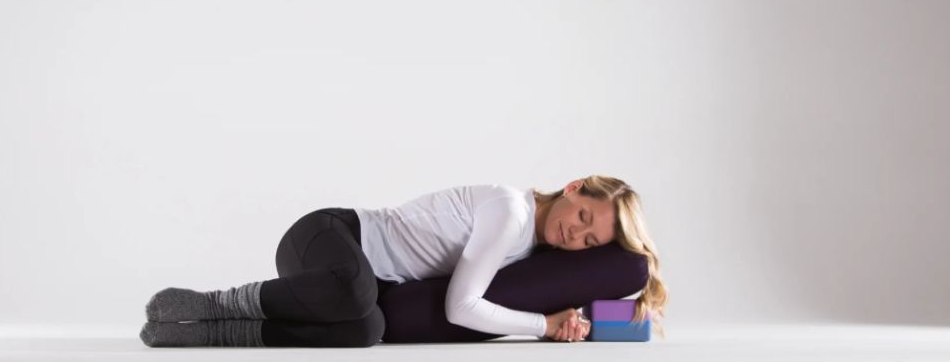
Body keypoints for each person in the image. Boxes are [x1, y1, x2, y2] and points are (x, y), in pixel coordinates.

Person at [139, 174, 668, 347]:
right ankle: (216, 303)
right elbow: (461, 307)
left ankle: (224, 334)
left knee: (367, 328)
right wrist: (543, 325)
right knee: (354, 292)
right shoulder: (511, 212)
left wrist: (595, 321)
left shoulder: (531, 247)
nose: (575, 234)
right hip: (330, 236)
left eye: (589, 241)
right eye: (583, 216)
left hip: (359, 284)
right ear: (574, 187)